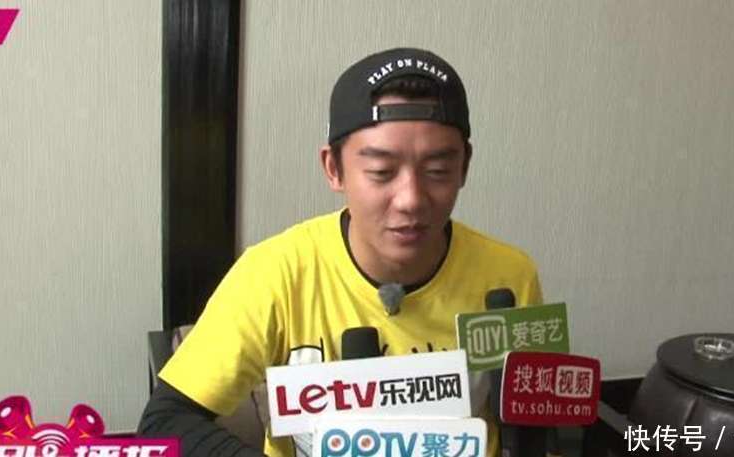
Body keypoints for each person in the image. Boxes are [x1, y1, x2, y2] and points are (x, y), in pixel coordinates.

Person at [138, 47, 543, 457]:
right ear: (334, 168)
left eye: (437, 171)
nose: (411, 199)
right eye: (381, 173)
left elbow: (531, 420)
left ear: (465, 167)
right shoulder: (274, 273)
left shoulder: (509, 276)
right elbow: (166, 421)